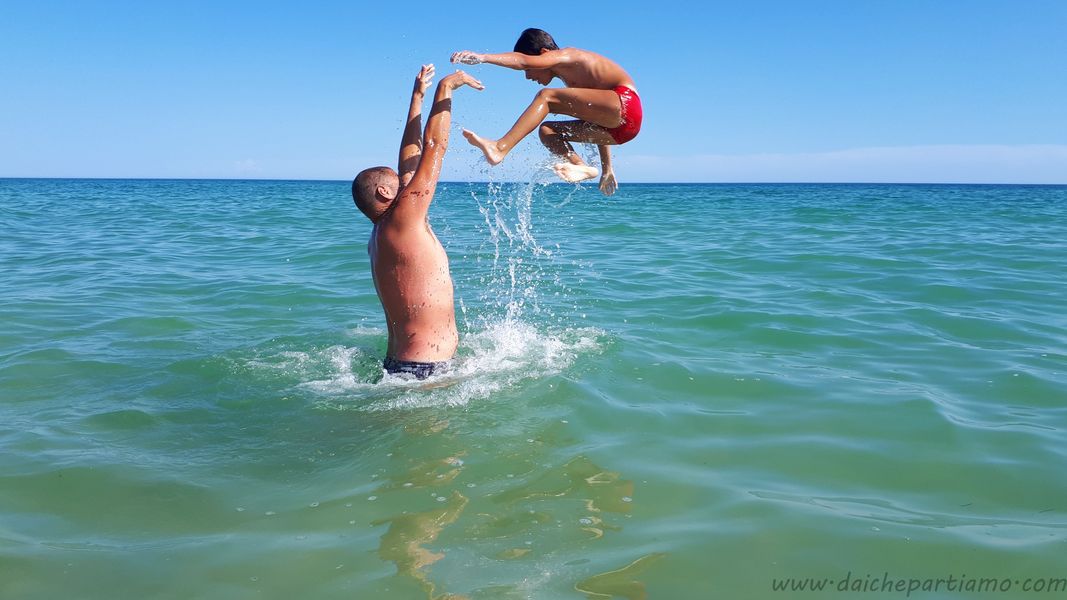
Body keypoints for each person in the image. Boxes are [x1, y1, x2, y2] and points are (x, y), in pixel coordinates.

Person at [351, 65, 483, 379]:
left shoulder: (383, 233)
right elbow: (435, 148)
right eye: (398, 182)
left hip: (403, 364)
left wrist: (418, 98)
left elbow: (409, 167)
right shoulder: (402, 221)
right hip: (426, 369)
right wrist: (446, 90)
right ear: (385, 192)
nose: (406, 182)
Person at [451, 28, 642, 196]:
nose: (528, 76)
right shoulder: (574, 81)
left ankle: (499, 148)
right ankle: (581, 167)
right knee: (547, 131)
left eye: (530, 68)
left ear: (544, 53)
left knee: (546, 97)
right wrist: (607, 169)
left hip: (626, 103)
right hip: (617, 132)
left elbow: (523, 61)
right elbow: (599, 119)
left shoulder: (569, 55)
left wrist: (483, 58)